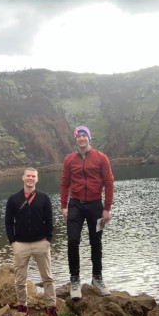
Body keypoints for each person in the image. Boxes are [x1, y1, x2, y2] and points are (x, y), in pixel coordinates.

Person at [61, 125, 114, 300]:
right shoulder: (69, 160)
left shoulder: (101, 158)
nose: (81, 139)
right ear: (75, 139)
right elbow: (64, 184)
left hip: (96, 206)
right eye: (79, 136)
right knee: (72, 241)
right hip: (75, 205)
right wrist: (64, 206)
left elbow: (109, 183)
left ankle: (97, 278)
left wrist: (107, 209)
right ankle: (74, 280)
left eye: (84, 136)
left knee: (96, 242)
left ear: (89, 138)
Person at [5, 167, 59, 316]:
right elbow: (9, 222)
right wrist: (12, 242)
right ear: (23, 178)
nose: (30, 178)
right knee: (20, 280)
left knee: (47, 278)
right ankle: (23, 306)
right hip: (20, 244)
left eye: (33, 176)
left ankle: (51, 308)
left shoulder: (44, 198)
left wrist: (48, 240)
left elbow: (49, 220)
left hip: (40, 243)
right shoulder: (13, 199)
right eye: (28, 176)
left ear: (37, 179)